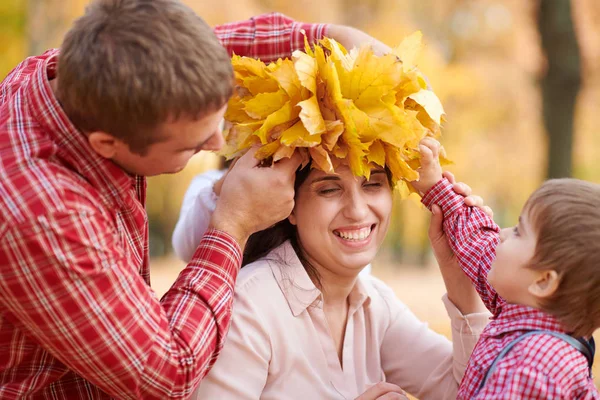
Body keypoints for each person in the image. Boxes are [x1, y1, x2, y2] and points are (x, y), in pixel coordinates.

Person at [0, 0, 389, 398]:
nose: (217, 144)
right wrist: (232, 224)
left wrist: (321, 38)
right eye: (192, 146)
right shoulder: (44, 215)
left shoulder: (80, 73)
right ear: (107, 143)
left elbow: (201, 52)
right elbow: (167, 373)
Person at [190, 40, 492, 399]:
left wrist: (460, 276)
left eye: (373, 185)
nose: (358, 211)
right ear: (290, 206)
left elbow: (474, 391)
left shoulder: (373, 304)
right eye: (329, 189)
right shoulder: (250, 305)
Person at [412, 138, 599, 399]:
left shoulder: (532, 364)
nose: (502, 233)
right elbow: (479, 243)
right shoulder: (526, 306)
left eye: (520, 232)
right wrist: (434, 184)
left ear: (544, 281)